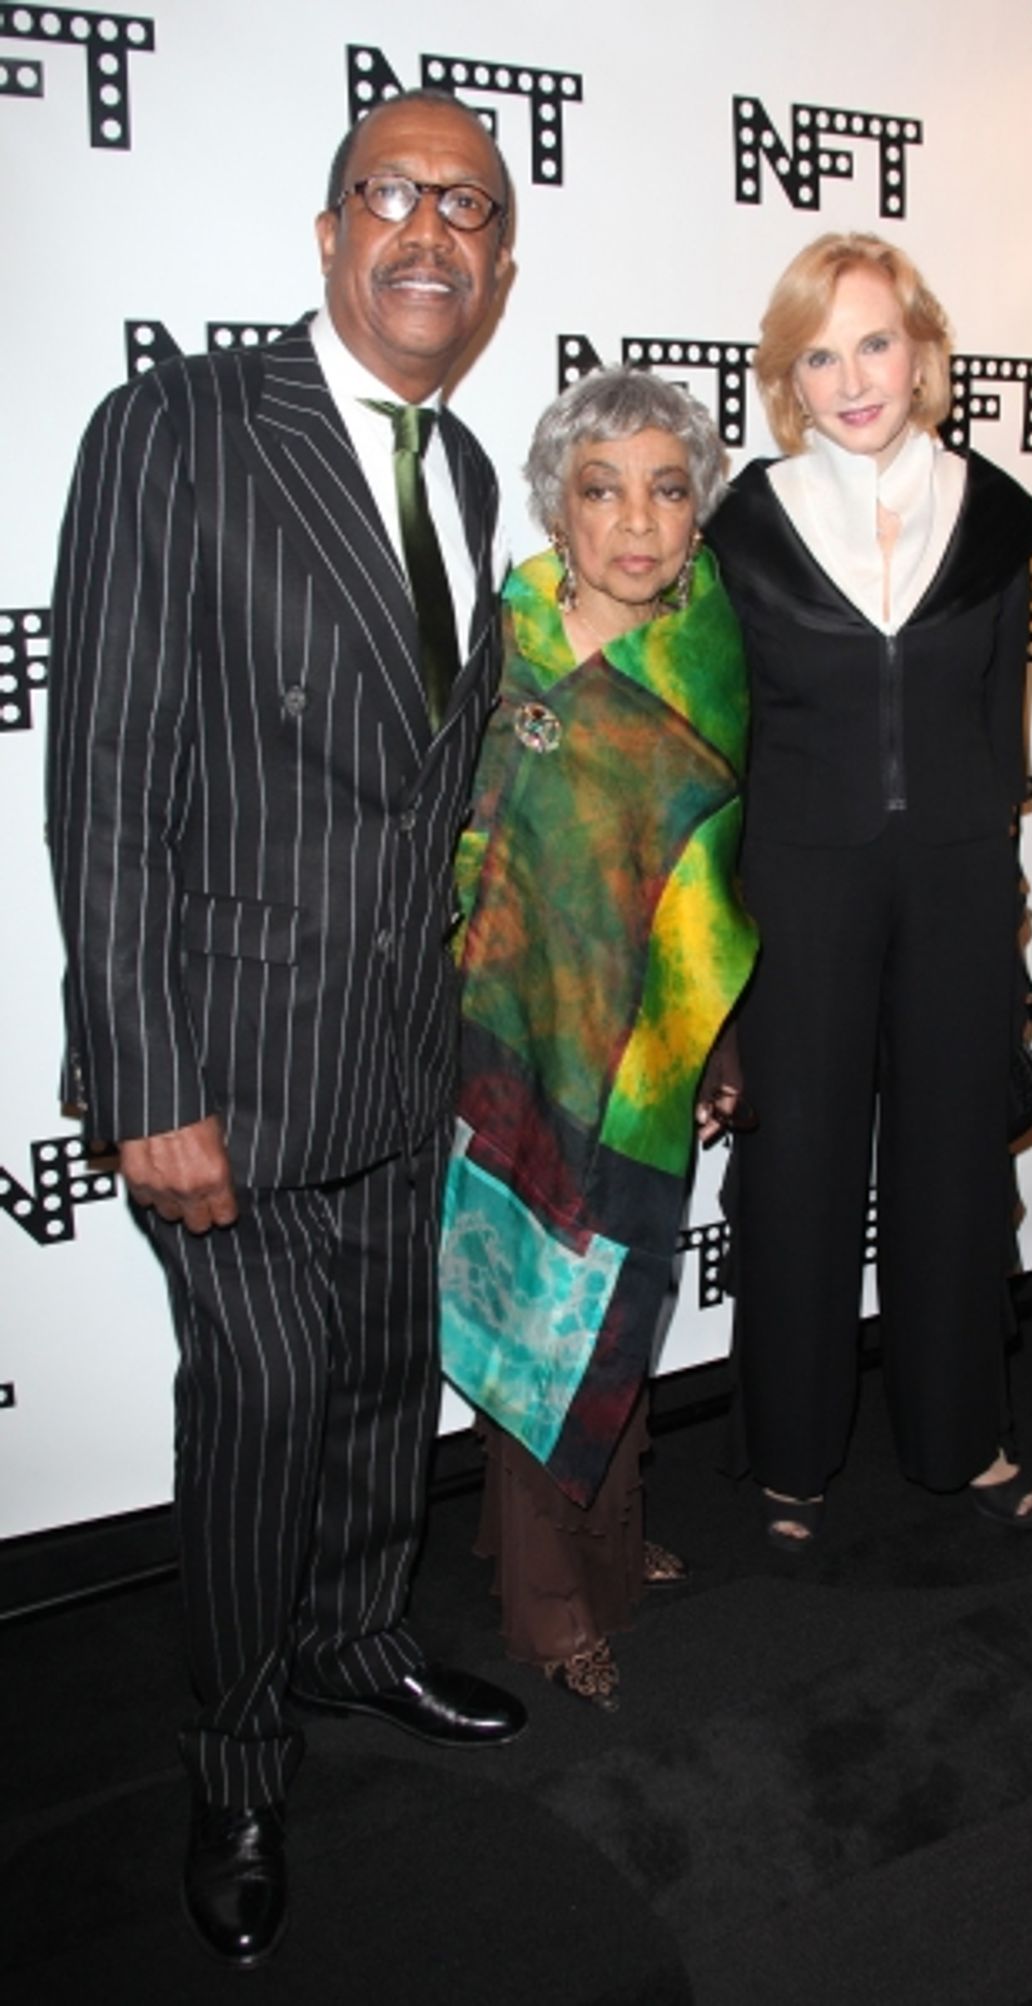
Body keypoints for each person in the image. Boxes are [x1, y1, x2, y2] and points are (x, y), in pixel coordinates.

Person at [46, 91, 525, 1970]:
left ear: (497, 261)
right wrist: (144, 1078)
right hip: (223, 1077)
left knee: (370, 1397)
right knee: (252, 1415)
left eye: (469, 207)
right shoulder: (176, 427)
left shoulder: (472, 472)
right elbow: (110, 787)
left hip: (399, 1062)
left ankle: (349, 1637)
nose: (432, 232)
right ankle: (235, 1759)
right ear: (330, 234)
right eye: (394, 196)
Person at [705, 234, 1032, 1549]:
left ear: (920, 350)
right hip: (798, 880)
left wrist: (1003, 888)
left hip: (961, 874)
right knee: (798, 1158)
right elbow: (722, 732)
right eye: (818, 352)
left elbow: (998, 725)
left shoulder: (997, 513)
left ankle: (959, 1432)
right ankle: (792, 1449)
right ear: (788, 376)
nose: (852, 377)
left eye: (873, 342)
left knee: (951, 1156)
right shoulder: (746, 522)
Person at [439, 367, 758, 1708]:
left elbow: (712, 875)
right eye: (603, 488)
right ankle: (547, 1603)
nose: (638, 520)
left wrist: (716, 1043)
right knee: (532, 1317)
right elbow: (450, 841)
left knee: (618, 1302)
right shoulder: (495, 641)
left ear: (699, 514)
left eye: (668, 489)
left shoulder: (710, 655)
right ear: (555, 509)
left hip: (645, 1061)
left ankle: (611, 1554)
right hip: (505, 1042)